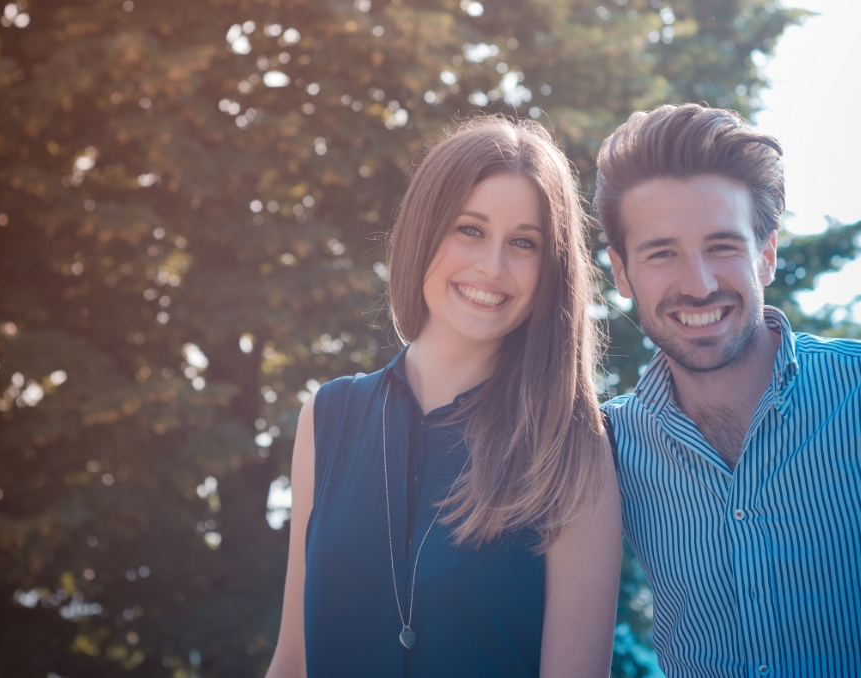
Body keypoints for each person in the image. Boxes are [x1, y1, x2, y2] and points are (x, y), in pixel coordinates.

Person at [595, 103, 861, 677]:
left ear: (765, 254)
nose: (698, 284)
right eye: (661, 253)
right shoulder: (606, 445)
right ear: (622, 272)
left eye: (722, 246)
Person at [265, 116, 623, 678]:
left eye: (523, 243)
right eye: (470, 229)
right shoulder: (327, 417)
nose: (492, 266)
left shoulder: (573, 444)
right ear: (424, 229)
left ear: (551, 268)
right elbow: (292, 662)